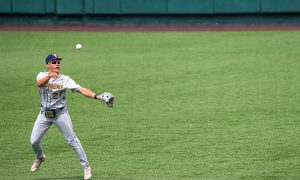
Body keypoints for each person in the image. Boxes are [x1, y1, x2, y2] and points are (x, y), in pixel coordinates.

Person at [30, 54, 113, 180]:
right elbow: (39, 83)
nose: (57, 64)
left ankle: (86, 167)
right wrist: (49, 76)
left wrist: (97, 96)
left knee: (72, 140)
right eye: (54, 62)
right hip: (44, 115)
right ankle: (40, 157)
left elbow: (81, 89)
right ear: (48, 65)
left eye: (58, 62)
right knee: (34, 141)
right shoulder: (41, 75)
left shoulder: (65, 79)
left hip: (60, 114)